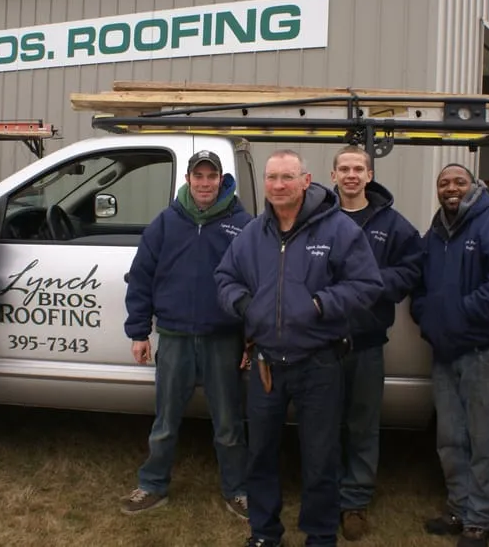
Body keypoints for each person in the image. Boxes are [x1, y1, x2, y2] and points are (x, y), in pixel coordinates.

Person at [215, 149, 383, 547]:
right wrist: (244, 305)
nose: (277, 185)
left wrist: (319, 305)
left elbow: (367, 285)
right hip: (266, 365)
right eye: (271, 178)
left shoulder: (338, 230)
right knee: (261, 455)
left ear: (306, 181)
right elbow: (225, 277)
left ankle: (321, 534)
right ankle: (264, 533)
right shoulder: (254, 233)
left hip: (319, 363)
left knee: (320, 457)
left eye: (286, 177)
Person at [120, 150, 253, 519]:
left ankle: (237, 490)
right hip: (174, 337)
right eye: (199, 176)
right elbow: (142, 278)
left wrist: (249, 339)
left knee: (228, 425)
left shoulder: (242, 224)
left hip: (222, 339)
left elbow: (254, 285)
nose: (205, 183)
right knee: (164, 423)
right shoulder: (165, 223)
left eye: (212, 176)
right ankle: (152, 485)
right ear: (188, 180)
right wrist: (139, 331)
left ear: (222, 180)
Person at [411, 163, 489, 547]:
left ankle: (481, 518)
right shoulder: (434, 234)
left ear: (474, 185)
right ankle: (459, 507)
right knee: (451, 438)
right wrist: (428, 317)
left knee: (486, 439)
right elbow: (419, 286)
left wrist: (457, 313)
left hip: (484, 353)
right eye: (443, 183)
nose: (451, 188)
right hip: (446, 352)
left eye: (458, 182)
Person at [329, 145, 423, 541]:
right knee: (324, 424)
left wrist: (373, 286)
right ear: (333, 176)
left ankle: (355, 502)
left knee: (362, 425)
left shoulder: (392, 224)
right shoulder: (317, 217)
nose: (351, 175)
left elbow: (412, 267)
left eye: (358, 169)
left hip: (367, 342)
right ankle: (326, 494)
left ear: (369, 176)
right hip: (323, 342)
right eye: (344, 169)